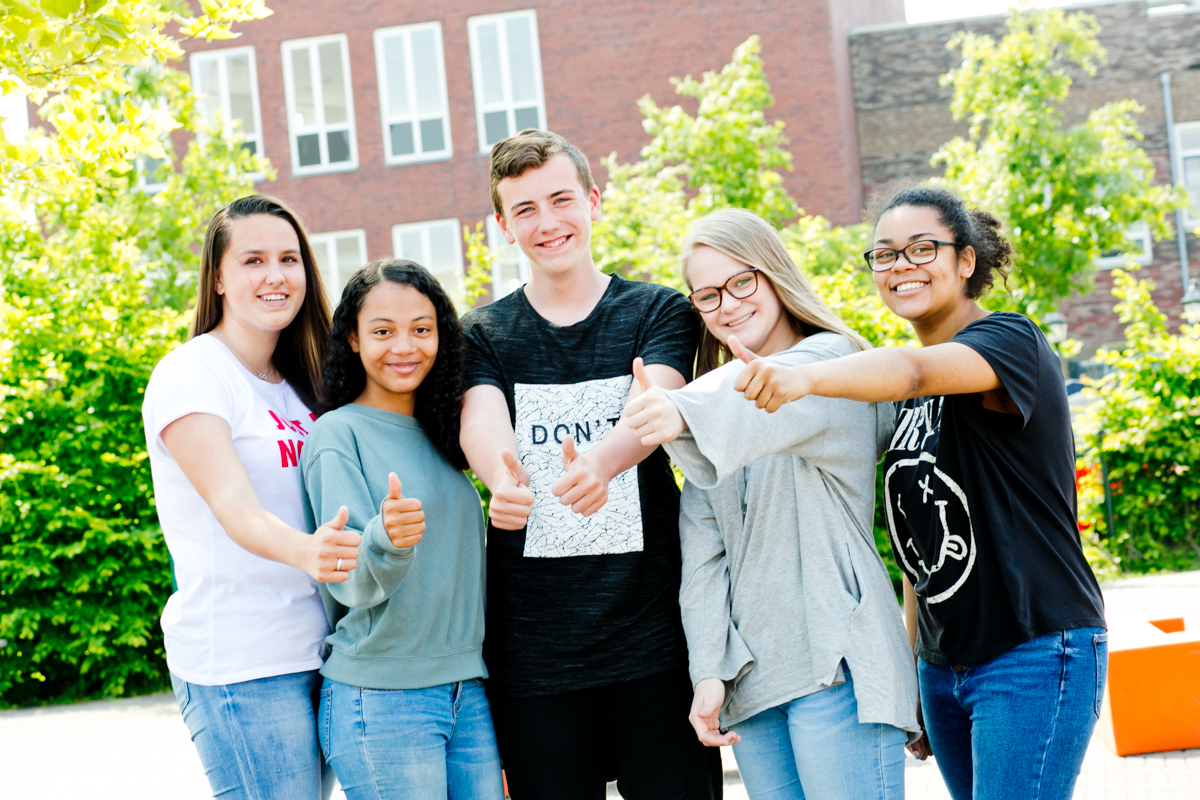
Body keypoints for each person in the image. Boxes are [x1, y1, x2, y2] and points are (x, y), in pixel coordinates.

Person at [726, 186, 1108, 800]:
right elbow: (916, 544)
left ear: (965, 261)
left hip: (1033, 650)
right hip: (943, 665)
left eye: (921, 248)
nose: (900, 265)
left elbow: (912, 367)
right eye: (884, 255)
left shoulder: (1011, 342)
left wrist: (801, 377)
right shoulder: (909, 398)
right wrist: (913, 667)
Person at [459, 129, 721, 800]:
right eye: (525, 210)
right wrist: (503, 479)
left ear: (593, 202)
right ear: (501, 224)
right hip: (534, 656)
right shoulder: (482, 333)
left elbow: (656, 398)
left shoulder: (656, 309)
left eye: (560, 200)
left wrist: (602, 462)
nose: (547, 224)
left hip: (656, 643)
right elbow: (482, 419)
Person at [622, 208, 919, 800]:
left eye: (741, 282)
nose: (727, 304)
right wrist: (708, 669)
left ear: (774, 274)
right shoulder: (715, 414)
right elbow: (703, 558)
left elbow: (778, 385)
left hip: (838, 672)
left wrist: (679, 406)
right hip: (753, 685)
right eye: (707, 295)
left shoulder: (834, 366)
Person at [142, 195, 359, 800]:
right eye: (253, 260)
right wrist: (310, 552)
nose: (275, 276)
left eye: (289, 259)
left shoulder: (301, 384)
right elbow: (233, 505)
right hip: (243, 662)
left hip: (321, 650)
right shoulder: (192, 373)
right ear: (218, 277)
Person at [299, 259, 502, 800]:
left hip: (467, 690)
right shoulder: (336, 435)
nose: (404, 347)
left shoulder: (446, 434)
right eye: (383, 331)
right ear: (352, 339)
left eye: (421, 329)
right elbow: (346, 576)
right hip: (382, 696)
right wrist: (385, 539)